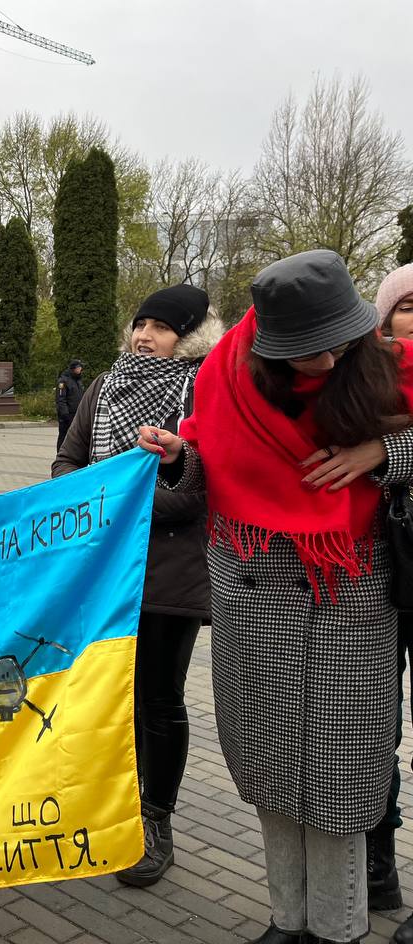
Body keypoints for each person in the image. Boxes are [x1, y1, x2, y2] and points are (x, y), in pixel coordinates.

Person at [140, 250, 413, 944]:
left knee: (339, 785)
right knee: (269, 772)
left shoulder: (386, 364)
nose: (321, 363)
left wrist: (383, 453)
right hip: (254, 591)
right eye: (303, 352)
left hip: (349, 593)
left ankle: (339, 929)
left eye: (332, 346)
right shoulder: (227, 374)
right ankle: (286, 923)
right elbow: (209, 456)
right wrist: (179, 452)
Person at [54, 284, 222, 888]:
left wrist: (125, 501)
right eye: (140, 323)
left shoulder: (204, 389)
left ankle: (157, 824)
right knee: (109, 694)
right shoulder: (104, 385)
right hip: (103, 566)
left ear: (190, 336)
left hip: (169, 574)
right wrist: (83, 496)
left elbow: (198, 491)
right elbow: (67, 458)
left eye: (161, 326)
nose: (144, 335)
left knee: (157, 698)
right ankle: (116, 808)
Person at [370, 261, 413, 935]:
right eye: (409, 306)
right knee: (373, 727)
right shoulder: (363, 379)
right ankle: (376, 866)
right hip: (378, 572)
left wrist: (386, 452)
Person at [55, 358, 85, 450]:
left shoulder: (78, 381)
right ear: (74, 368)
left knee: (75, 438)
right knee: (64, 436)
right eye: (79, 367)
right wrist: (65, 414)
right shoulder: (63, 381)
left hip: (77, 414)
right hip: (67, 415)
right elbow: (61, 399)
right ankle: (60, 457)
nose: (81, 369)